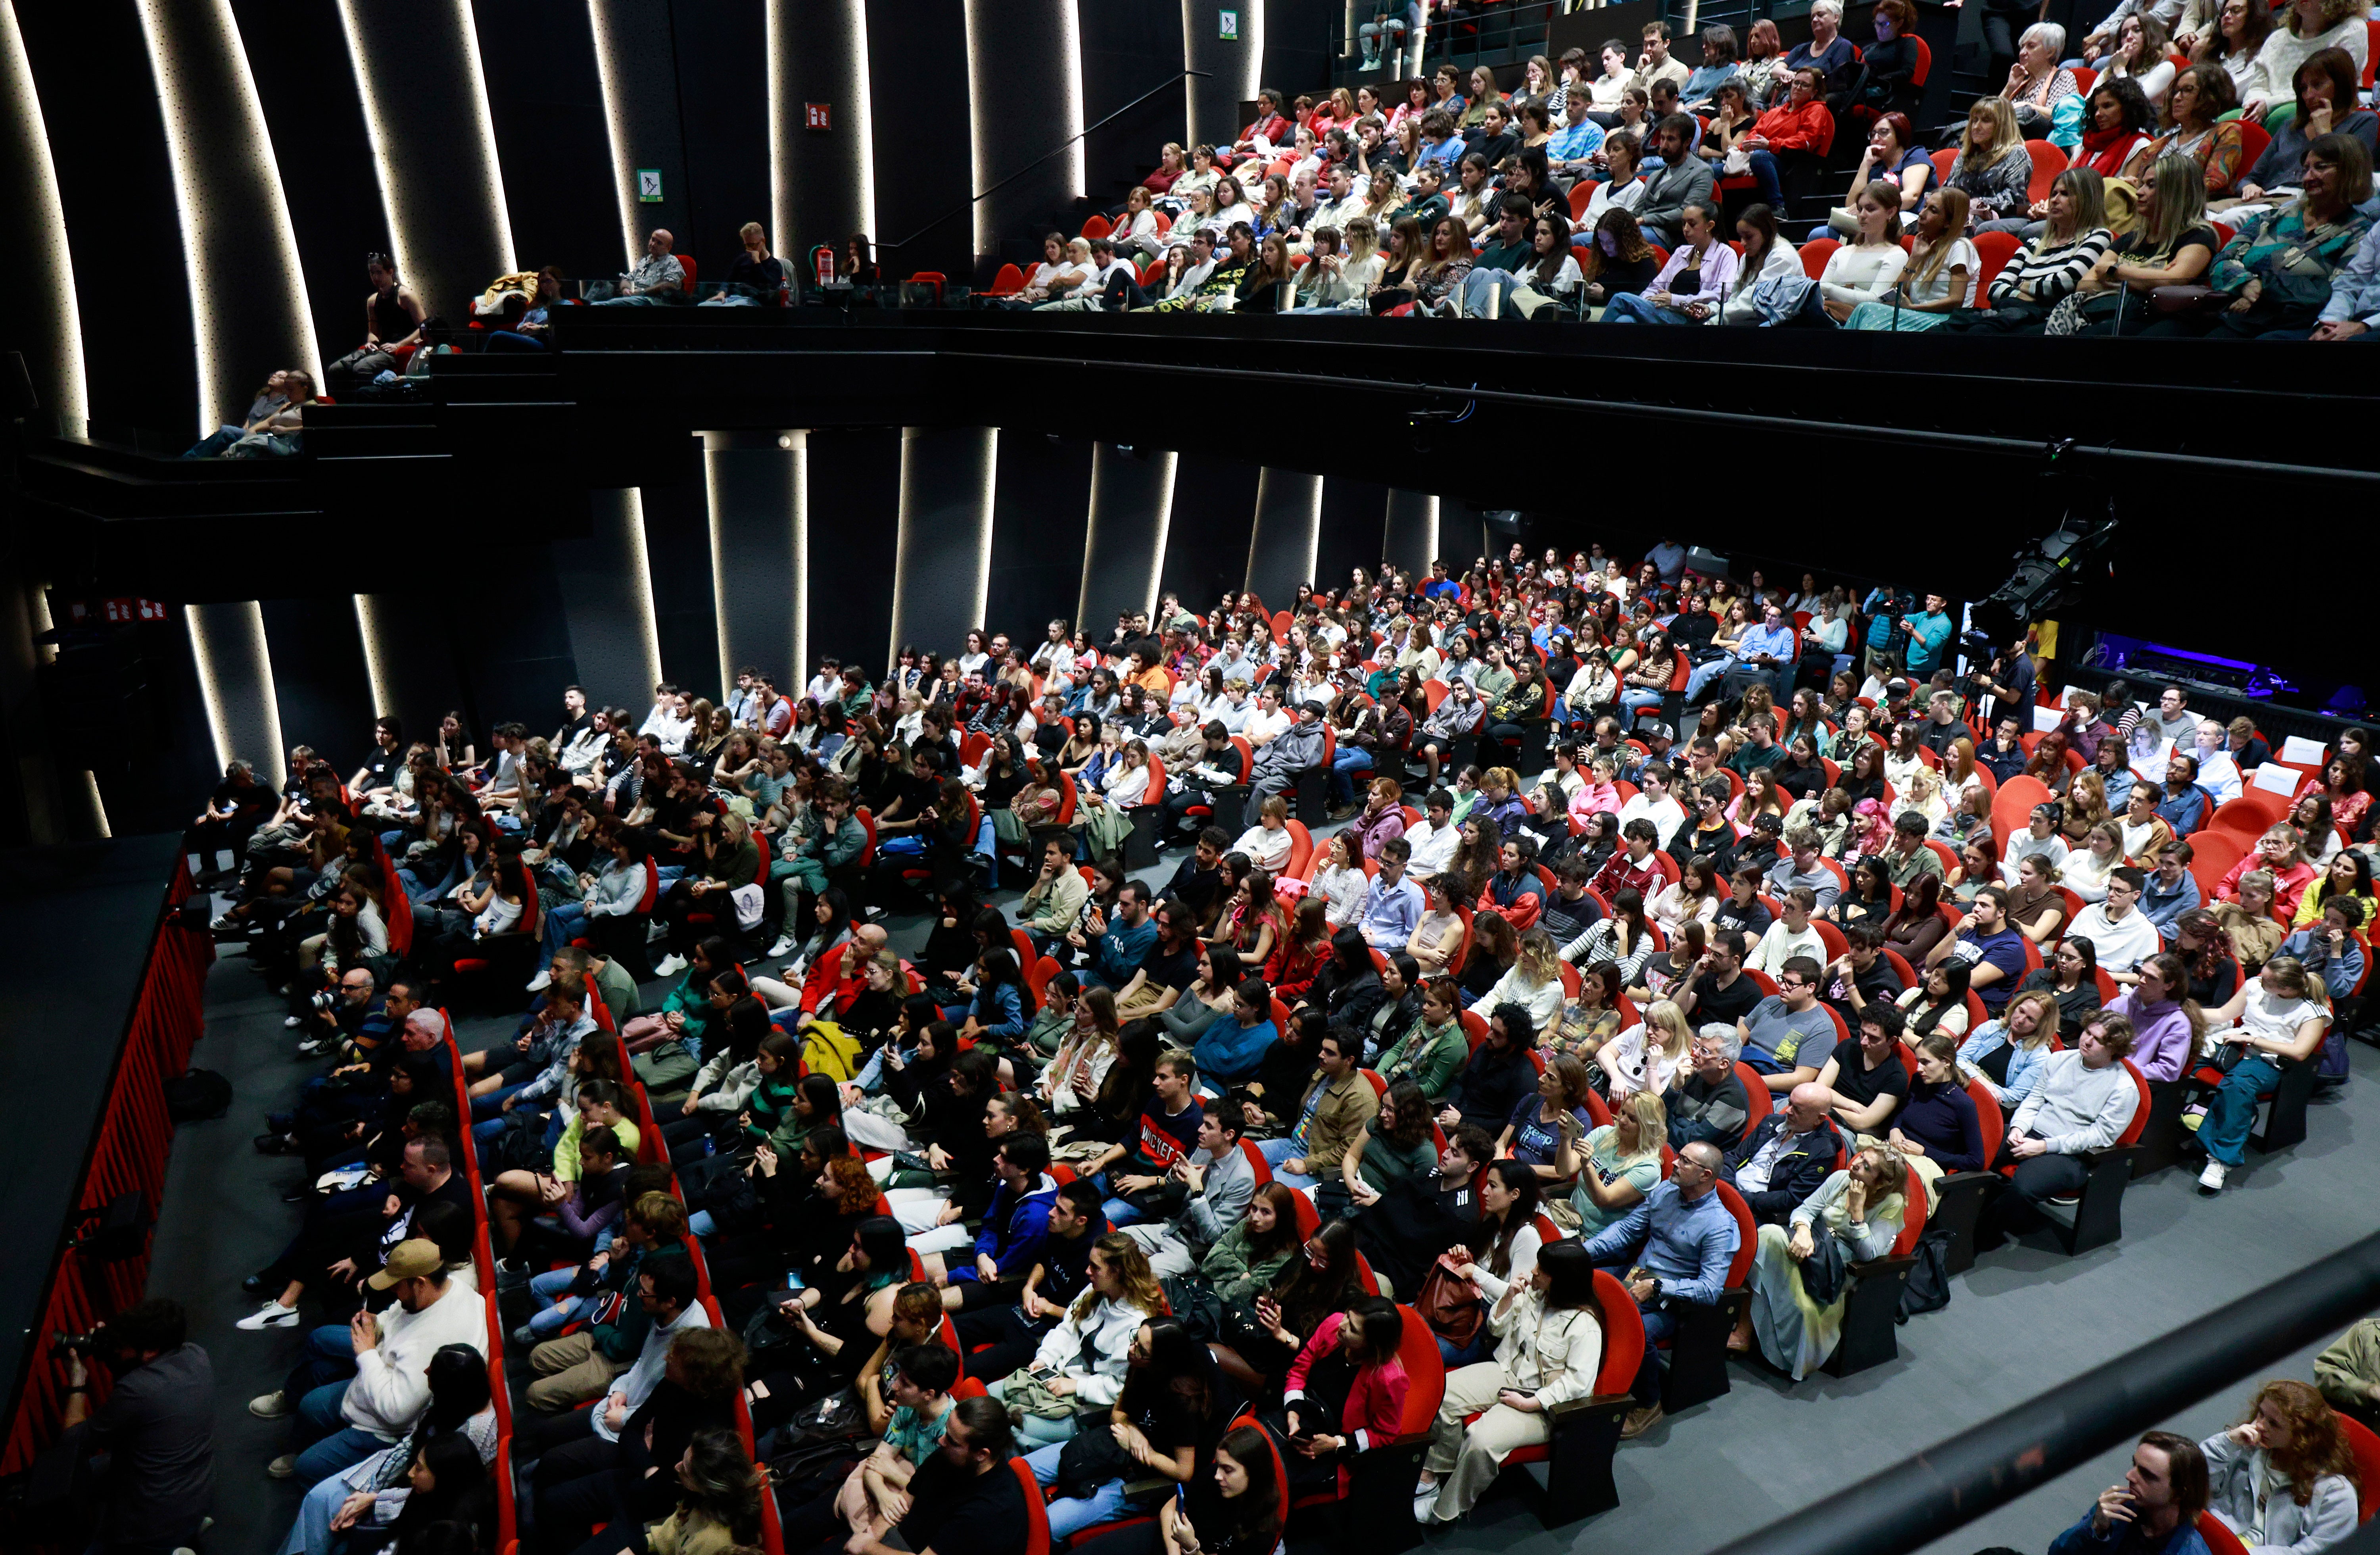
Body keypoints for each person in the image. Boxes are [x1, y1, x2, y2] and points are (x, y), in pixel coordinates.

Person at [1413, 1240, 1605, 1525]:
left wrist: (1532, 1403)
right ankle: (1435, 1471)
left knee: (1481, 1440)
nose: (1534, 1271)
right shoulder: (1535, 1294)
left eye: (1542, 1269)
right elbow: (1495, 1328)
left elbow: (1579, 1385)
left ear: (1559, 1279)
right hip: (1508, 1371)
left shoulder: (1584, 1326)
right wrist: (1508, 1298)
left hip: (1543, 1402)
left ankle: (1447, 1510)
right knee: (1443, 1394)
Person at [1582, 1141, 1738, 1439]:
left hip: (1674, 1298)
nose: (1675, 1164)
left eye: (1685, 1161)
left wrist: (1658, 1286)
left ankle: (1649, 1403)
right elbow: (1627, 1231)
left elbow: (1710, 1289)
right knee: (1581, 1286)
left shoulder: (1719, 1225)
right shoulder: (1667, 1190)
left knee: (1637, 1329)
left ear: (1705, 1175)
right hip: (1636, 1275)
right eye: (1679, 1157)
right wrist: (1580, 1255)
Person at [1734, 1144, 1910, 1378]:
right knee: (1769, 1235)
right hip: (1813, 1246)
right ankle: (1744, 1332)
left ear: (1881, 1183)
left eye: (1866, 1167)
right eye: (1860, 1157)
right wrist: (1803, 1231)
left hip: (1837, 1271)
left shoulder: (1892, 1203)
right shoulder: (1841, 1178)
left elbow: (1869, 1254)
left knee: (1803, 1307)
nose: (1856, 1164)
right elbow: (1805, 1210)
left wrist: (1858, 1213)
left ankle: (1786, 1353)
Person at [59, 1299, 214, 1555]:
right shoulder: (196, 1354)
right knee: (92, 1470)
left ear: (151, 1350)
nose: (115, 1348)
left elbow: (71, 1441)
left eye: (122, 1345)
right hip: (196, 1491)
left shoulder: (137, 1391)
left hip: (153, 1523)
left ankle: (166, 1548)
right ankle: (186, 1531)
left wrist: (78, 1382)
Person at [1984, 1015, 2142, 1238]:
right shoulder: (2059, 1059)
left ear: (2114, 1049)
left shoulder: (2124, 1089)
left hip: (2072, 1154)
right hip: (2030, 1132)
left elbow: (2101, 1136)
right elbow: (2035, 1099)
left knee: (2023, 1188)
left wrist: (2045, 1146)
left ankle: (1980, 1236)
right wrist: (2018, 1127)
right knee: (1979, 1148)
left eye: (2098, 1040)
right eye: (2088, 1032)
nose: (2087, 1041)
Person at [2192, 958, 2331, 1194]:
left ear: (2285, 989)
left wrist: (2253, 1041)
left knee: (2236, 1087)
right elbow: (2223, 1014)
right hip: (2235, 1047)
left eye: (2266, 979)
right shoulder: (2256, 986)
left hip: (2269, 1059)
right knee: (2182, 1060)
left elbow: (2300, 1052)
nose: (2259, 979)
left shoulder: (2312, 1011)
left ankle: (2221, 1160)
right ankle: (2238, 1116)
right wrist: (2184, 1011)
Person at [2199, 1381, 2363, 1555]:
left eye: (2274, 1424)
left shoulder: (2336, 1493)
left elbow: (2317, 1551)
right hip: (2214, 1540)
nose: (2260, 1425)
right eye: (2261, 1414)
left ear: (2302, 1436)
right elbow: (2193, 1482)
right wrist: (2227, 1444)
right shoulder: (2245, 1448)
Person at [2048, 1432, 2215, 1555]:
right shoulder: (2117, 1509)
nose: (2129, 1476)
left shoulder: (2191, 1552)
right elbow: (2057, 1553)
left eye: (2147, 1475)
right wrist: (2096, 1529)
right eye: (2134, 1465)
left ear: (2180, 1494)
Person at [326, 254, 424, 392]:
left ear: (390, 272)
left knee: (361, 368)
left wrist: (399, 345)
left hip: (399, 348)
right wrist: (371, 342)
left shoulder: (405, 295)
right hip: (381, 348)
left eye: (379, 273)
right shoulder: (372, 301)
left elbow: (424, 327)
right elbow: (373, 332)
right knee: (335, 369)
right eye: (372, 273)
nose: (376, 278)